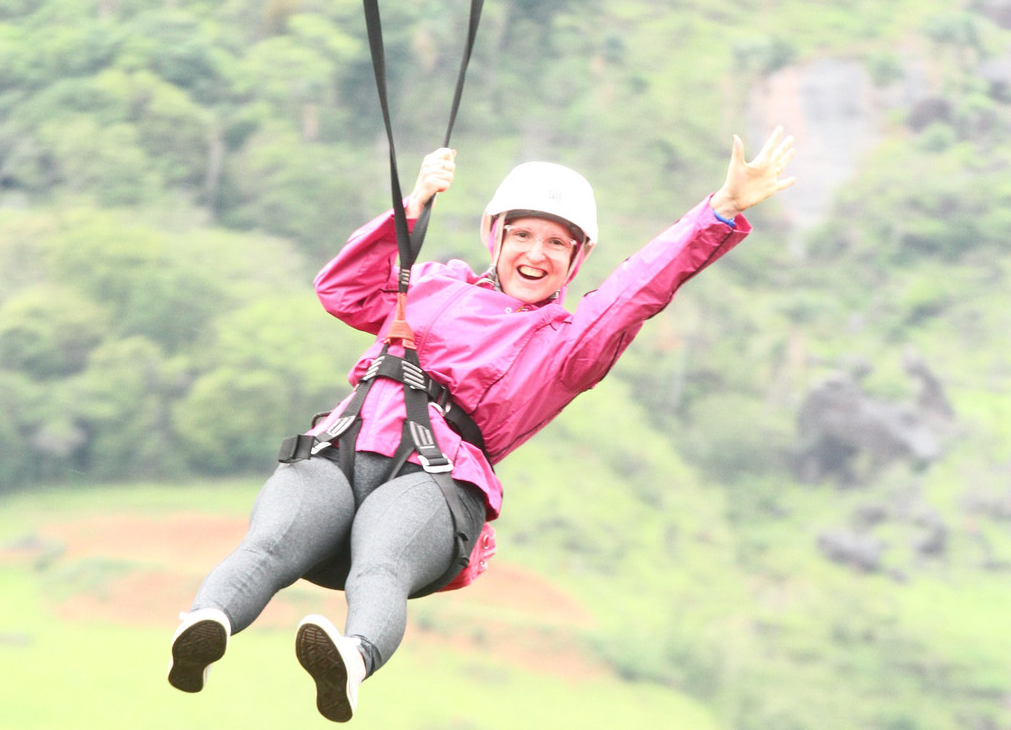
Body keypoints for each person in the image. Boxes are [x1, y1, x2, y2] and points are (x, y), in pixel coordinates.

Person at [166, 127, 796, 722]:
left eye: (556, 244)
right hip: (341, 448)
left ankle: (352, 660)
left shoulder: (566, 346)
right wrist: (413, 206)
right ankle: (204, 627)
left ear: (577, 259)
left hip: (432, 480)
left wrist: (718, 210)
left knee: (381, 564)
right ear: (495, 236)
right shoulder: (432, 284)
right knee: (270, 543)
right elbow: (343, 291)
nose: (535, 254)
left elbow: (635, 291)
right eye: (523, 235)